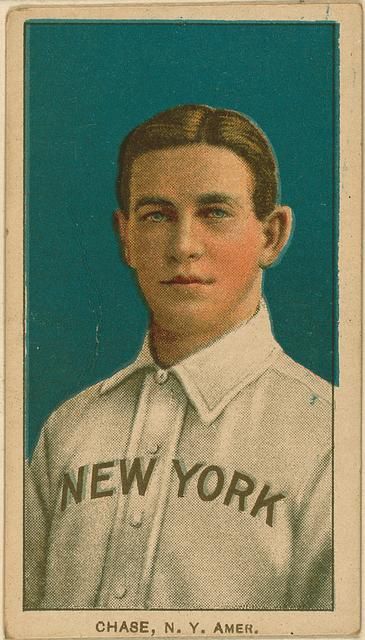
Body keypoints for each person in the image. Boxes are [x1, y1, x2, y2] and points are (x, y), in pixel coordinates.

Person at [25, 104, 332, 611]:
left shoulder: (332, 437)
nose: (183, 245)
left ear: (271, 235)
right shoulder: (70, 428)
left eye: (214, 213)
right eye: (156, 216)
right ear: (126, 237)